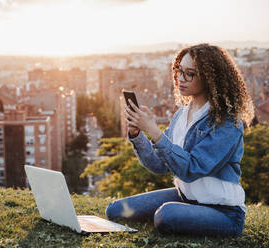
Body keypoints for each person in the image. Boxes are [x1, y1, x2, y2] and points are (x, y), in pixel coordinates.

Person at [105, 43, 254, 237]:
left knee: (166, 215)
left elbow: (191, 169)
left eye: (190, 73)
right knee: (115, 210)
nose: (180, 79)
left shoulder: (228, 122)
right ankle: (184, 213)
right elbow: (158, 165)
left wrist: (154, 131)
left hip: (223, 212)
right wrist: (137, 134)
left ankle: (186, 216)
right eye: (179, 70)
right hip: (186, 197)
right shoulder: (181, 115)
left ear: (210, 78)